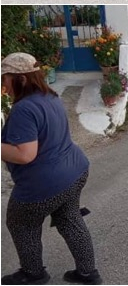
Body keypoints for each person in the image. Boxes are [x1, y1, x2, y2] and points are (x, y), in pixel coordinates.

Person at [1, 53, 101, 285]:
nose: (3, 84)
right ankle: (88, 273)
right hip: (75, 171)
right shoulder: (50, 96)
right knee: (69, 219)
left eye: (5, 79)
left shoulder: (23, 109)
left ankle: (33, 273)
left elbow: (25, 155)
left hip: (44, 184)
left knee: (21, 223)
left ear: (21, 79)